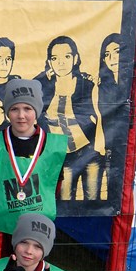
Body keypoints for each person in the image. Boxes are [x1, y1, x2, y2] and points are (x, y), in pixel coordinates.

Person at [0, 79, 67, 268]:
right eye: (14, 109)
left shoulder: (53, 146)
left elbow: (54, 187)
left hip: (34, 232)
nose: (21, 115)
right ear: (7, 111)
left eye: (28, 108)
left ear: (37, 111)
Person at [35, 35, 104, 201]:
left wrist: (99, 147)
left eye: (66, 56)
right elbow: (30, 92)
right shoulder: (43, 86)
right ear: (49, 62)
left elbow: (102, 113)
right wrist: (43, 77)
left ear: (75, 59)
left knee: (92, 200)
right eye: (54, 58)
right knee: (64, 201)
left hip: (89, 151)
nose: (61, 62)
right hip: (61, 155)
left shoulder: (87, 84)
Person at [97, 33, 125, 201]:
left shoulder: (133, 84)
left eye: (117, 51)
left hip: (129, 145)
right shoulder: (102, 85)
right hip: (108, 145)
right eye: (107, 54)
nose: (112, 58)